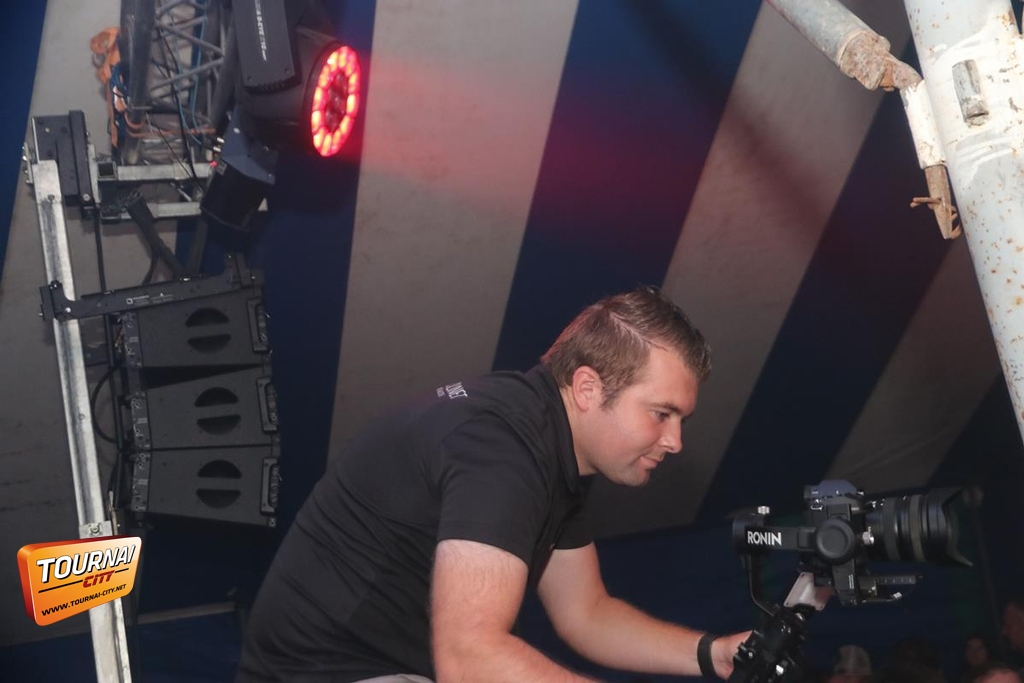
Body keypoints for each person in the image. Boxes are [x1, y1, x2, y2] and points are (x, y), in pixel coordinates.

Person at [237, 286, 750, 682]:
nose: (675, 441)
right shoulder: (501, 450)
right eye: (661, 414)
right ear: (588, 388)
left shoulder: (542, 437)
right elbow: (471, 658)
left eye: (680, 420)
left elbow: (586, 613)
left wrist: (712, 654)